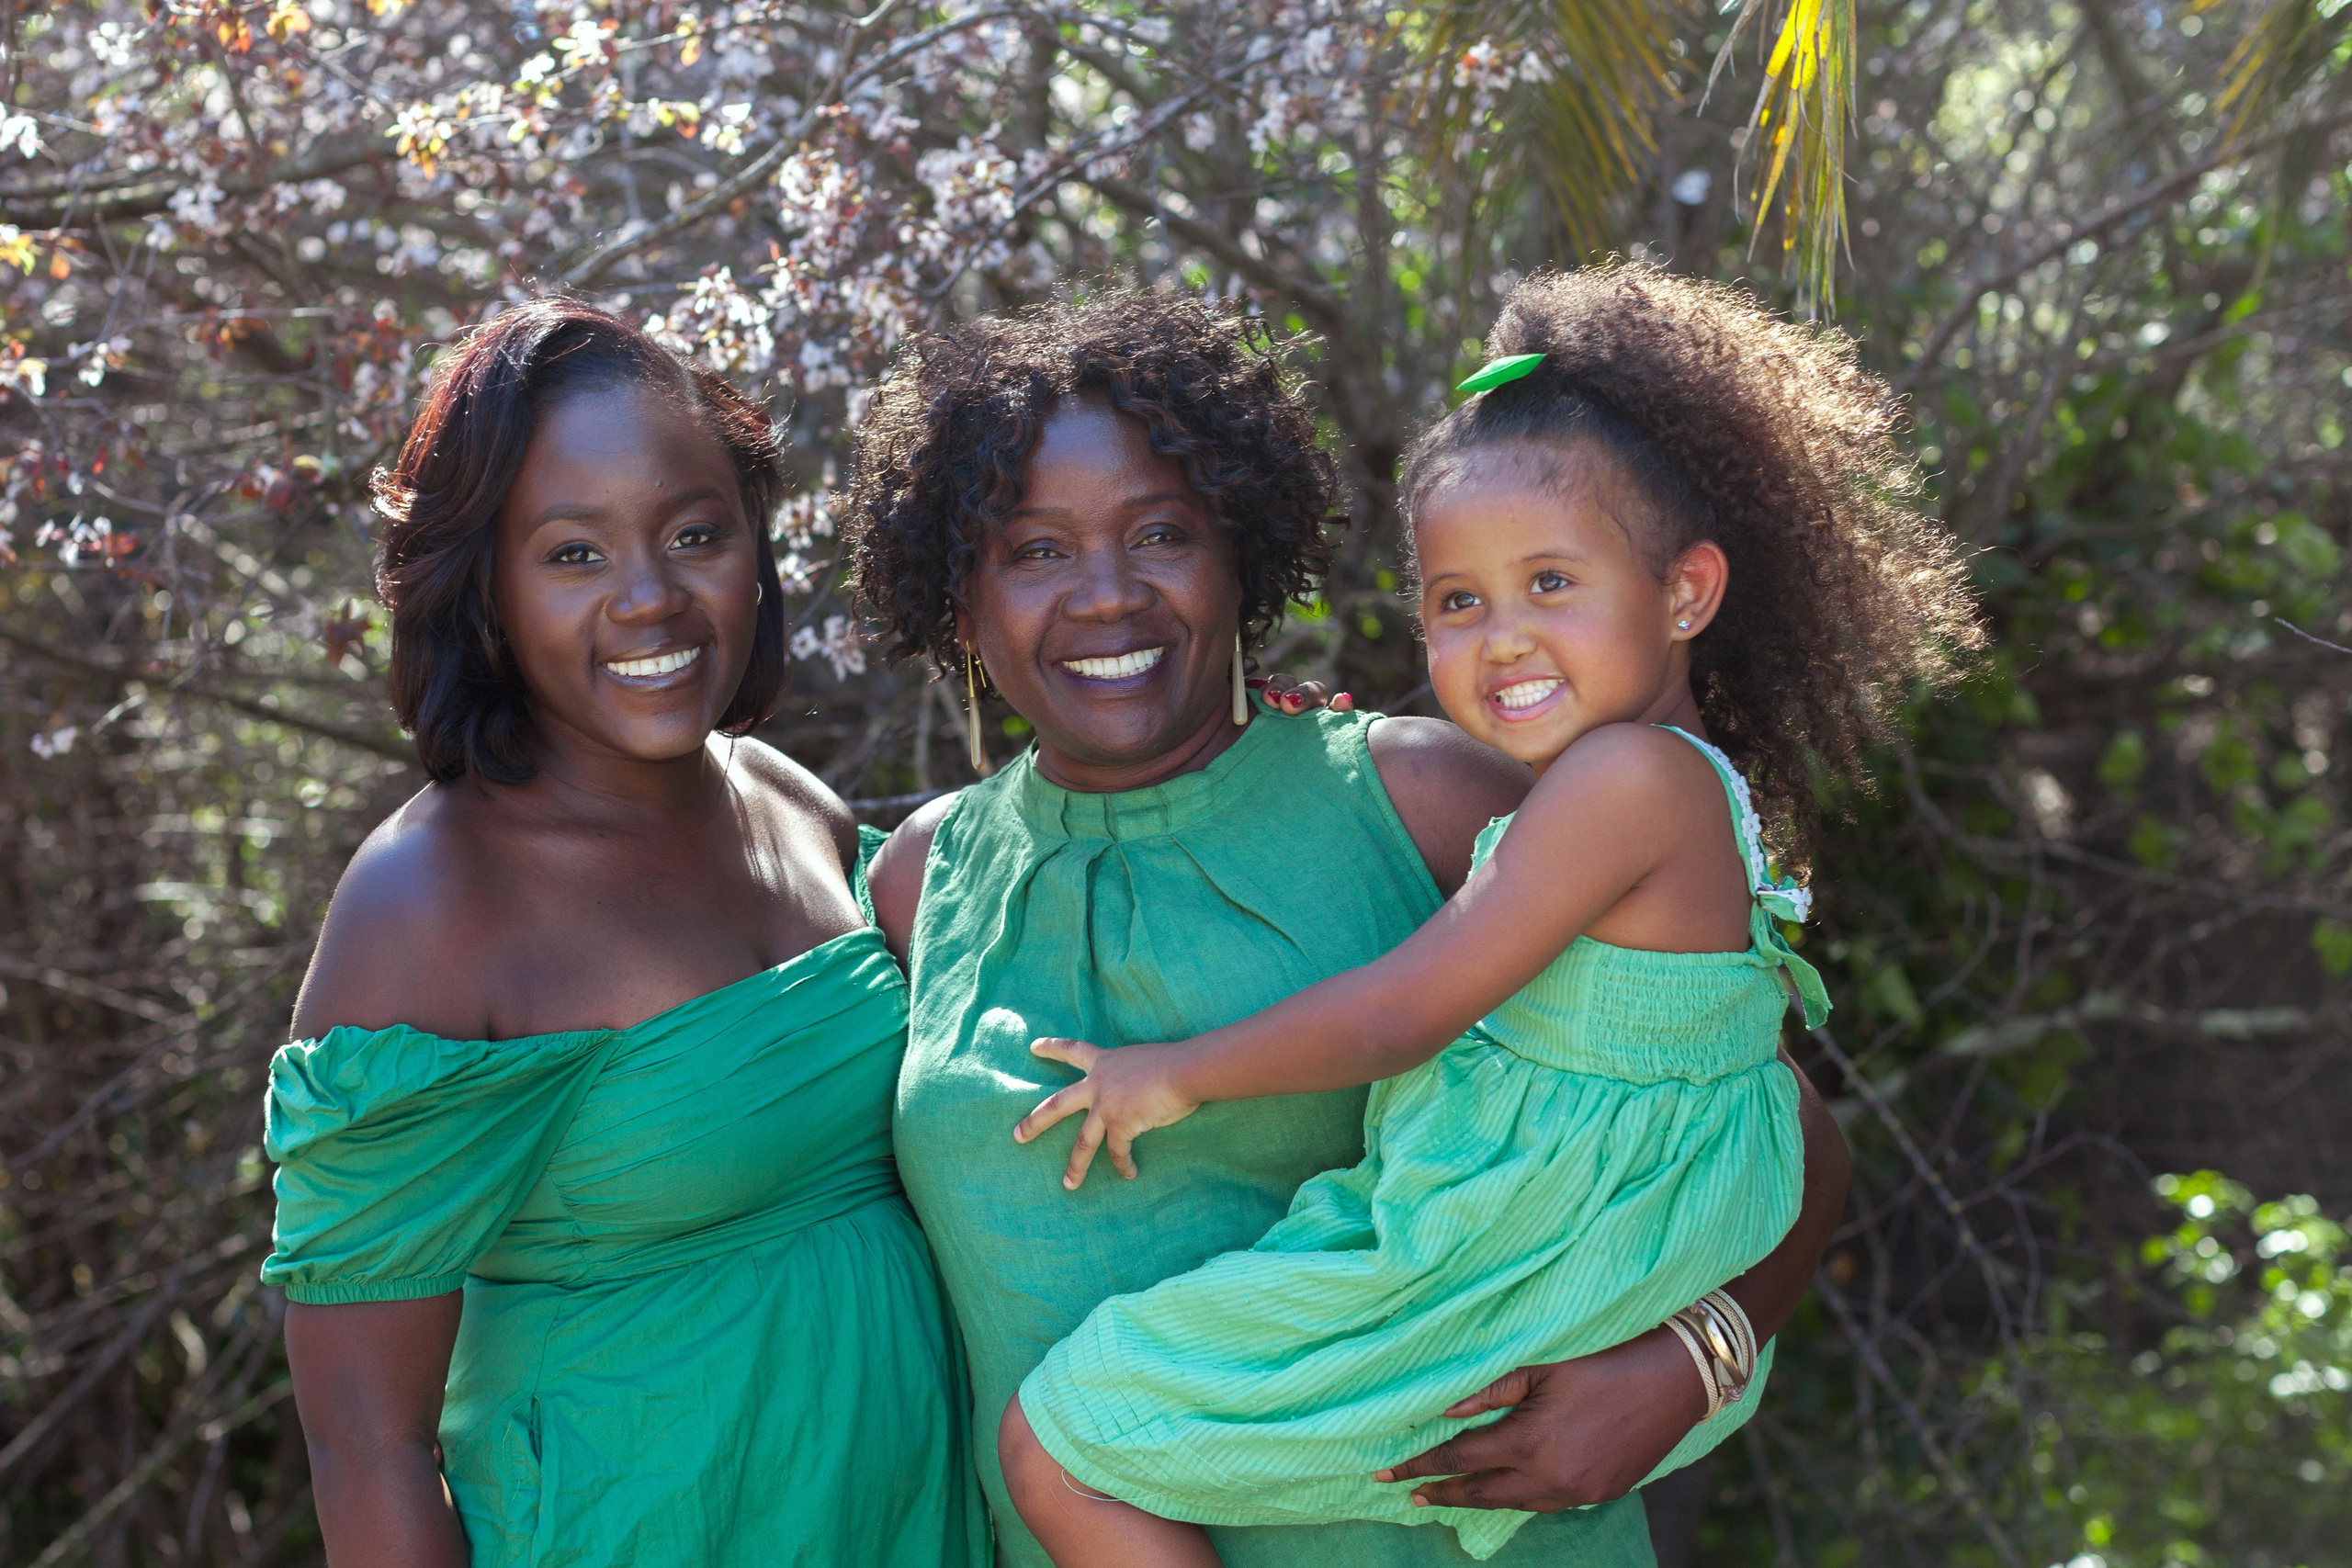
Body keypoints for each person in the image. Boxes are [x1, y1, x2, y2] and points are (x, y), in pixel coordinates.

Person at [845, 287, 1858, 1568]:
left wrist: (1692, 1364)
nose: (1105, 596)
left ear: (1241, 558)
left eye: (1161, 534)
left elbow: (1755, 1115)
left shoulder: (1425, 797)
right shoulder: (921, 880)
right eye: (1035, 550)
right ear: (959, 599)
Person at [259, 299, 985, 1567]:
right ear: (486, 586)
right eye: (574, 554)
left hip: (912, 1525)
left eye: (695, 534)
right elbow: (366, 1447)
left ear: (755, 544)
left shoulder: (787, 799)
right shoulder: (431, 901)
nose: (651, 598)